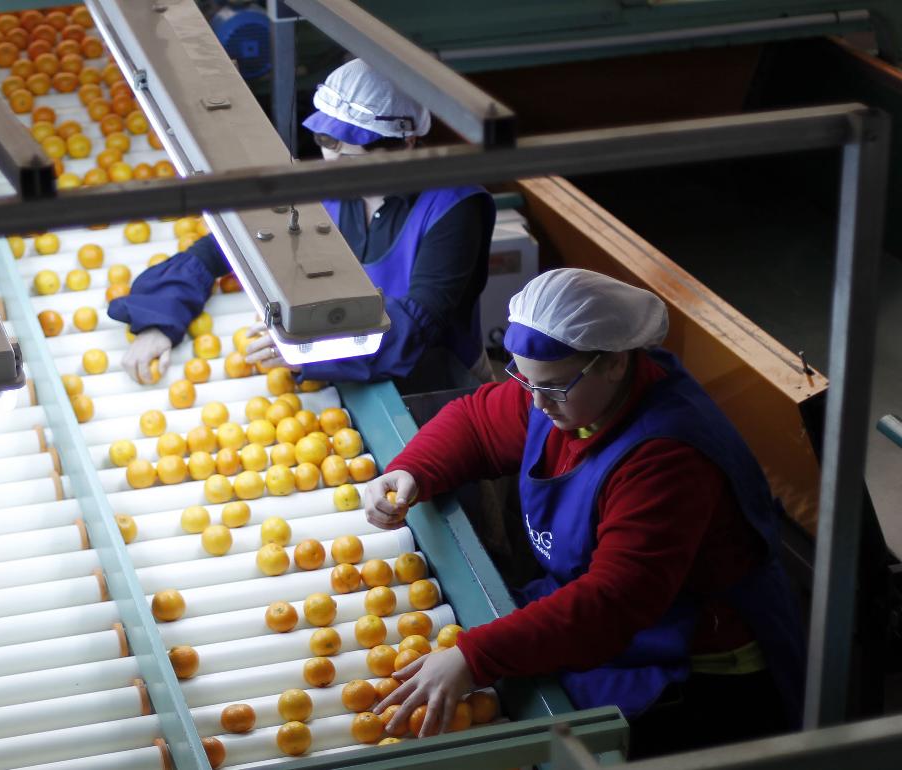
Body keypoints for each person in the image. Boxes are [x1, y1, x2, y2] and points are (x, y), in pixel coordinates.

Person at [364, 268, 806, 757]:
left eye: (551, 387)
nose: (535, 403)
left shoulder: (667, 457)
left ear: (615, 363)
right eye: (523, 379)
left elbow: (614, 602)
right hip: (601, 617)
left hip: (691, 663)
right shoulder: (569, 395)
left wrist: (475, 656)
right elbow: (476, 422)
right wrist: (413, 472)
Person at [108, 58, 495, 393]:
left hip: (439, 383)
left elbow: (419, 325)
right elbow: (224, 249)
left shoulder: (455, 206)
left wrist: (309, 348)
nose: (334, 161)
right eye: (328, 141)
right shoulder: (319, 185)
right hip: (342, 375)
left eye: (354, 150)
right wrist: (159, 320)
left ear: (406, 143)